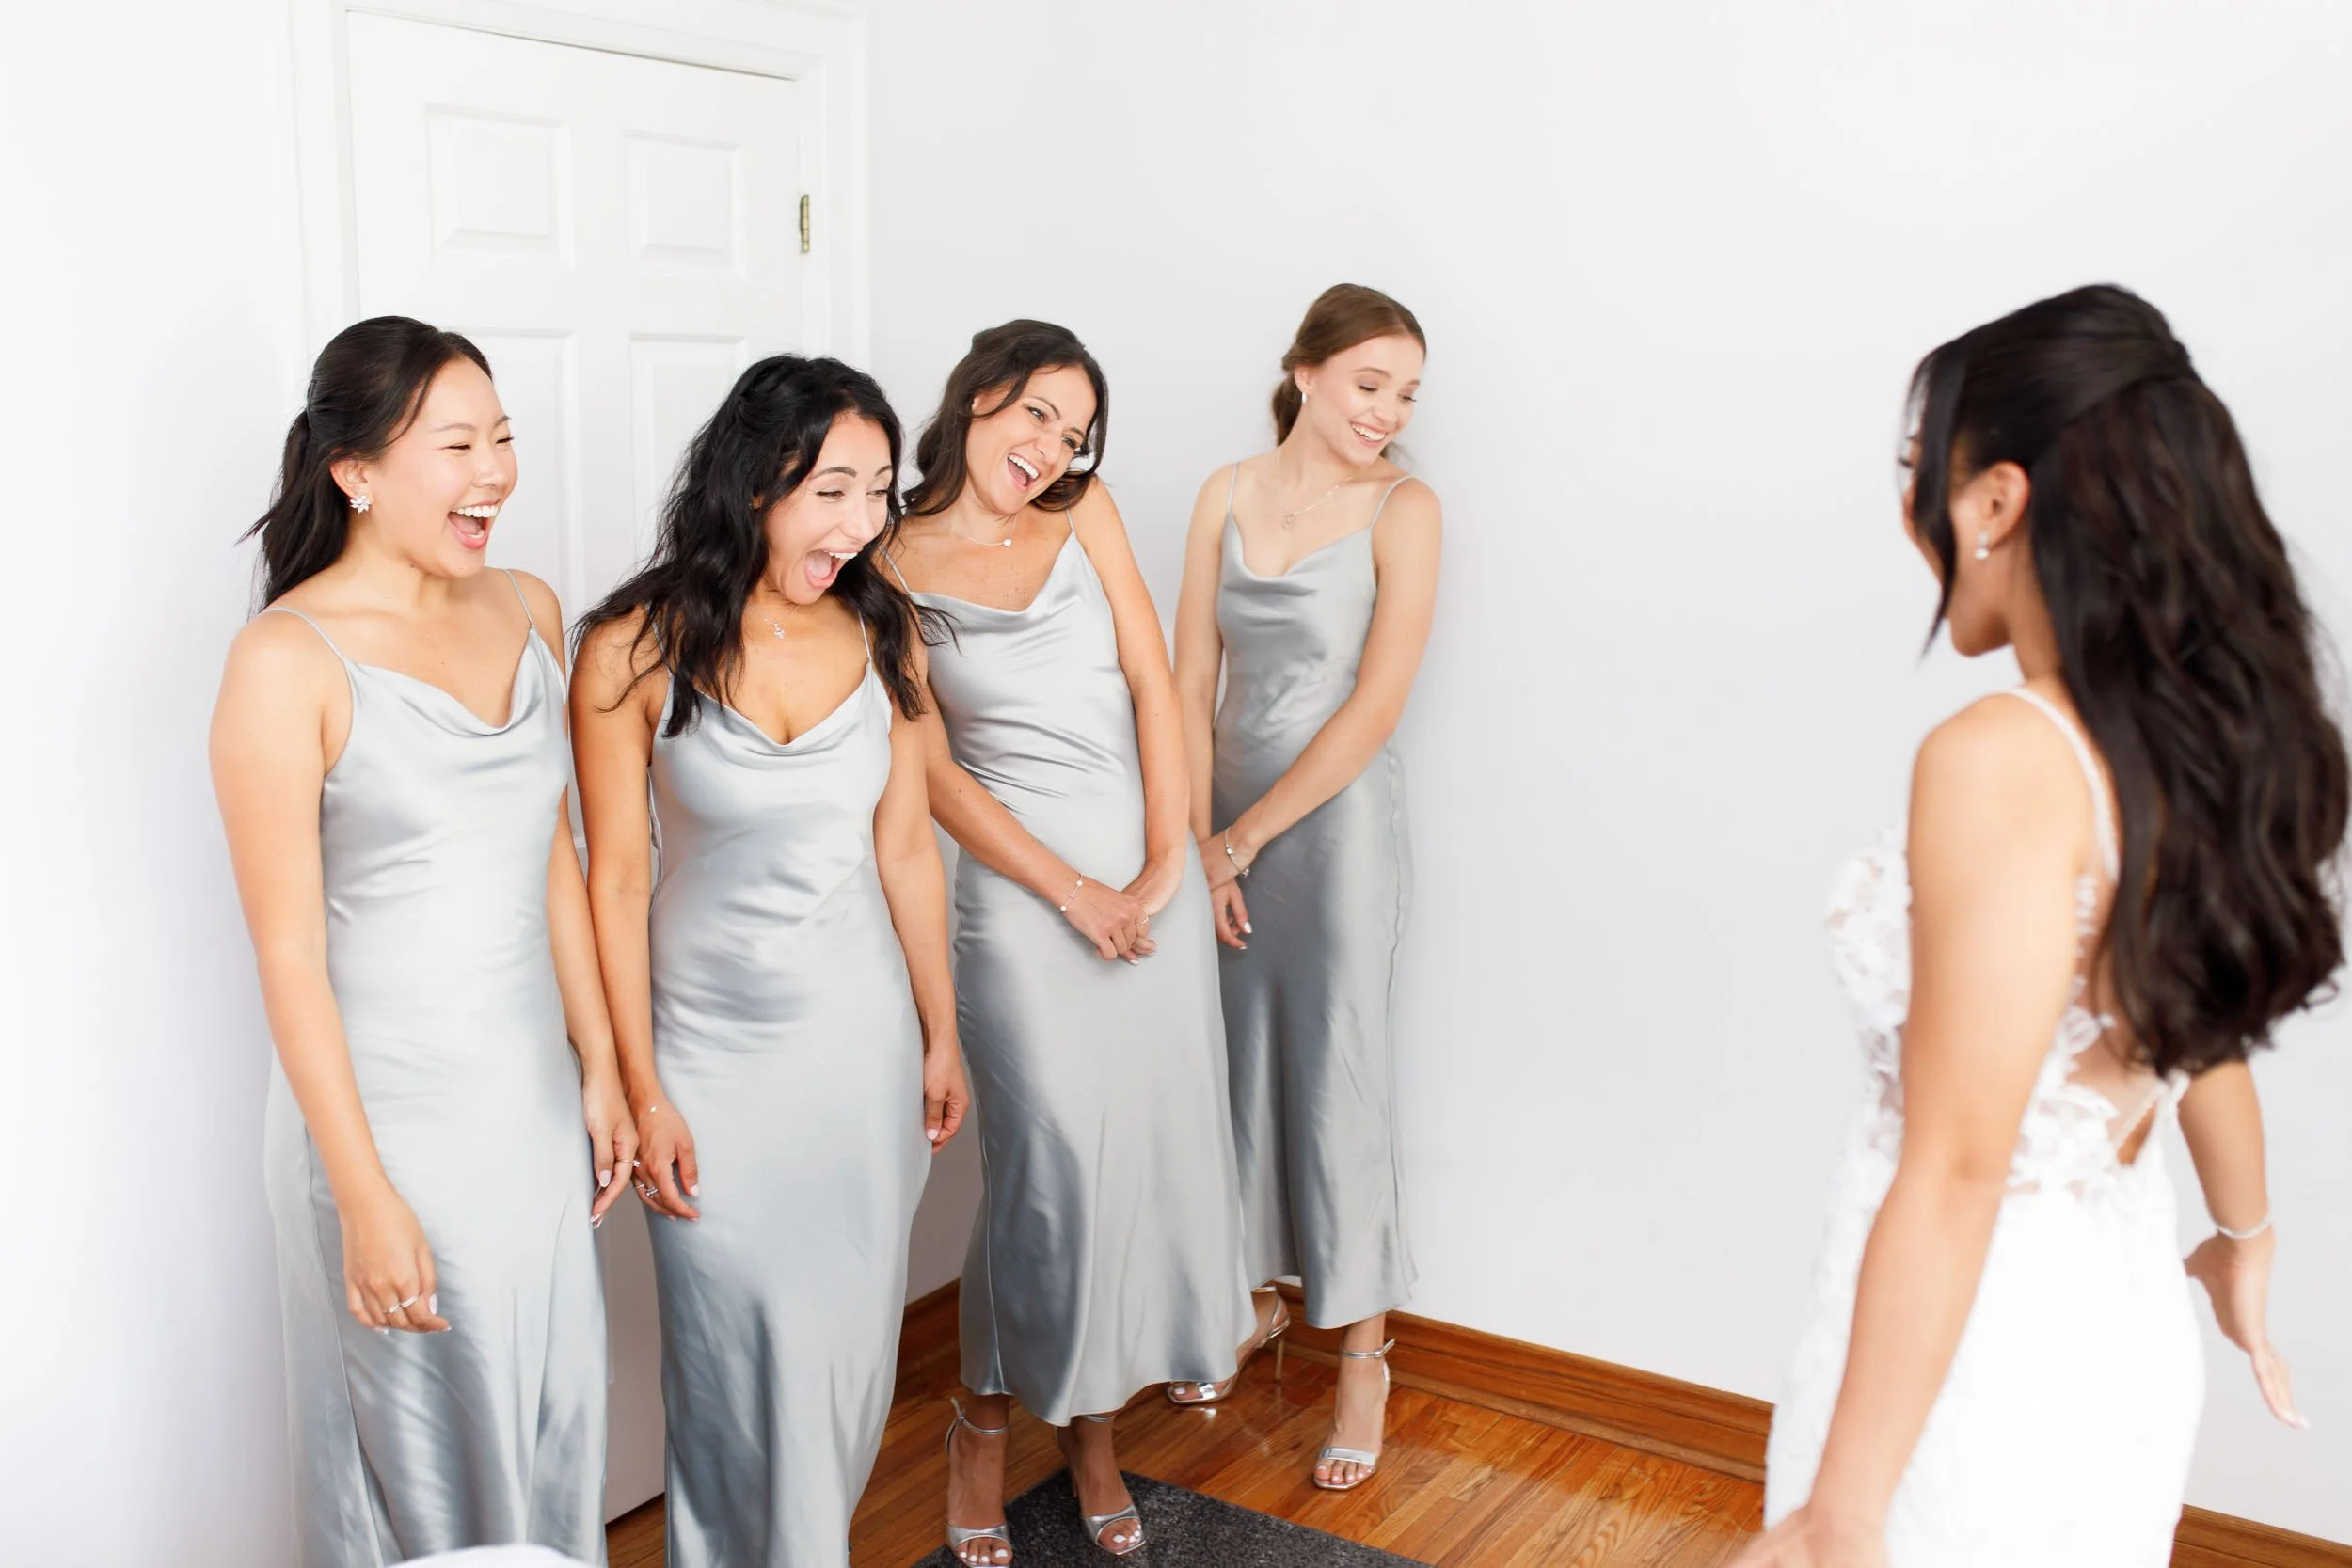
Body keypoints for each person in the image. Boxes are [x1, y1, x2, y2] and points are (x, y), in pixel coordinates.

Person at [1738, 284, 2344, 1568]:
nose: (1912, 522)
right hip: (2115, 1326)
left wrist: (1843, 1514)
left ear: (1999, 500)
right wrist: (2247, 1242)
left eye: (1923, 480)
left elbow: (1961, 1166)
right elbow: (2202, 1051)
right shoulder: (2188, 757)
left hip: (1971, 1354)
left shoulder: (2005, 756)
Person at [211, 316, 627, 1567]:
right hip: (383, 1126)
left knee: (548, 1434)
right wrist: (363, 1193)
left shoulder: (530, 605)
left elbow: (551, 852)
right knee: (421, 1475)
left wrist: (599, 1060)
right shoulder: (285, 662)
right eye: (458, 443)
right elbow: (287, 956)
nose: (495, 470)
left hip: (528, 1112)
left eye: (503, 437)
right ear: (355, 469)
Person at [570, 355, 970, 1568]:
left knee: (842, 1383)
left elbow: (905, 849)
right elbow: (618, 881)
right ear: (756, 483)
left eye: (879, 493)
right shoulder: (631, 647)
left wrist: (941, 1029)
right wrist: (642, 1086)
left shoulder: (885, 629)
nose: (861, 525)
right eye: (832, 490)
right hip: (706, 1058)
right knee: (726, 1366)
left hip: (855, 1059)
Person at [885, 320, 1253, 1562]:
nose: (1052, 448)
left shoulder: (1083, 515)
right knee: (1048, 1176)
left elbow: (1158, 681)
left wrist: (1166, 857)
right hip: (1020, 900)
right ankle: (981, 1422)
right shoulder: (884, 562)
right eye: (1038, 414)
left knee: (1137, 1164)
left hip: (1146, 891)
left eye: (1075, 431)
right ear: (980, 397)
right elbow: (929, 767)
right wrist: (1073, 890)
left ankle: (1094, 1431)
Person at [1168, 283, 1441, 1491]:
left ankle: (1364, 1350)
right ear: (1305, 370)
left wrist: (1244, 841)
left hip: (1332, 843)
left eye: (1405, 393)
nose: (1386, 411)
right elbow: (1182, 686)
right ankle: (1248, 1296)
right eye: (1368, 383)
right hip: (1216, 829)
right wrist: (1193, 842)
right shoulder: (1223, 492)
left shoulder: (1407, 508)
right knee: (1225, 1067)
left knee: (1335, 1076)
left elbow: (1373, 709)